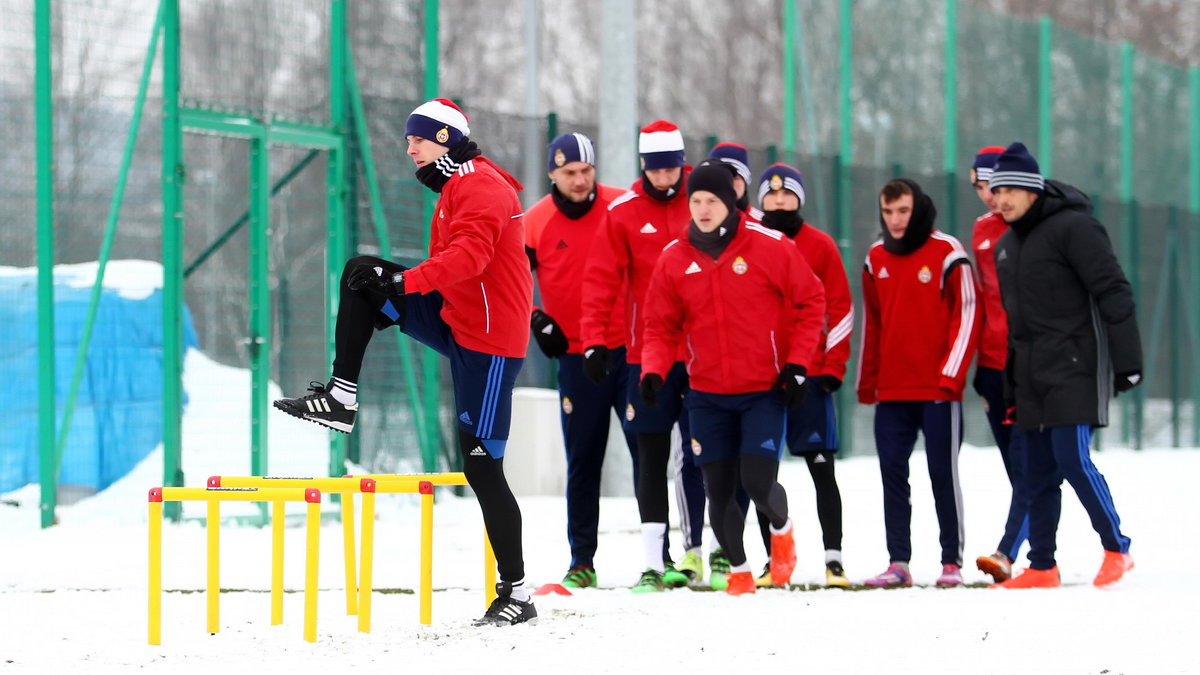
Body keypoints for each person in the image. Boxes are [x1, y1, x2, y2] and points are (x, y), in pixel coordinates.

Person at [273, 98, 536, 626]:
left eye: (418, 137)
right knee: (361, 275)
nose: (409, 146)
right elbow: (454, 267)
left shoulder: (479, 185)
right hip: (456, 316)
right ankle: (340, 397)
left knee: (483, 469)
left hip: (487, 343)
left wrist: (405, 282)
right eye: (407, 139)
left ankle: (519, 594)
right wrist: (394, 285)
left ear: (445, 138)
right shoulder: (455, 185)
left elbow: (470, 258)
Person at [639, 162, 827, 595]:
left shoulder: (770, 246)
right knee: (718, 490)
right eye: (696, 201)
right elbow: (660, 326)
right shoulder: (674, 257)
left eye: (712, 201)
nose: (703, 209)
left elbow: (811, 300)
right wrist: (653, 369)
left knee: (757, 483)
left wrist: (798, 365)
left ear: (731, 203)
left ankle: (781, 529)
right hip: (705, 393)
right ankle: (739, 570)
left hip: (763, 390)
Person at [988, 142, 1140, 589]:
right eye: (998, 191)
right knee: (1034, 471)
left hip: (1077, 365)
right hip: (1031, 374)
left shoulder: (1075, 228)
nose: (1003, 199)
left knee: (1071, 459)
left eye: (1013, 189)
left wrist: (1127, 360)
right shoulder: (1005, 247)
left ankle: (1117, 548)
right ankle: (1042, 566)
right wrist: (1013, 387)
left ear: (1034, 190)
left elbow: (1114, 290)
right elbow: (1016, 326)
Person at [580, 119, 707, 592]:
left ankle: (704, 554)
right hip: (646, 355)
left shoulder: (704, 205)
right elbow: (600, 280)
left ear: (682, 163)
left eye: (671, 168)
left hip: (702, 356)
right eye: (655, 169)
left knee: (702, 453)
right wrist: (594, 340)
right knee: (651, 454)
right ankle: (654, 562)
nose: (664, 177)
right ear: (642, 166)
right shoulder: (625, 212)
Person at [524, 131, 638, 590]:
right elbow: (511, 281)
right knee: (583, 460)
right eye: (570, 172)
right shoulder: (535, 221)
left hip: (628, 351)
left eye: (587, 171)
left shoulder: (621, 205)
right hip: (575, 357)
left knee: (645, 454)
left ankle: (662, 555)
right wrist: (536, 319)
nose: (580, 179)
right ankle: (582, 562)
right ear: (554, 173)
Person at [857, 178, 980, 588]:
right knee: (892, 473)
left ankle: (951, 563)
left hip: (938, 391)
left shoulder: (948, 253)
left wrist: (951, 375)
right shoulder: (875, 257)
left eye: (902, 211)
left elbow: (968, 314)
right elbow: (872, 324)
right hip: (892, 390)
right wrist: (868, 379)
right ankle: (899, 563)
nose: (894, 220)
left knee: (942, 473)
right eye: (888, 212)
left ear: (917, 208)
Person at [756, 163, 854, 589]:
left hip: (811, 378)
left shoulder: (820, 245)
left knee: (821, 469)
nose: (778, 201)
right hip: (763, 381)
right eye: (771, 195)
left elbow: (841, 309)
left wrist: (832, 367)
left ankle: (834, 560)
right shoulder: (750, 244)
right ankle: (772, 560)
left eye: (787, 195)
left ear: (799, 199)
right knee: (762, 473)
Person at [966, 145, 1029, 583]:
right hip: (992, 366)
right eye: (981, 187)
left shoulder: (1034, 228)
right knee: (1015, 467)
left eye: (995, 185)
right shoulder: (981, 230)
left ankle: (1010, 550)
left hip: (1031, 363)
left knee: (1032, 465)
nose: (989, 195)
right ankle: (1042, 548)